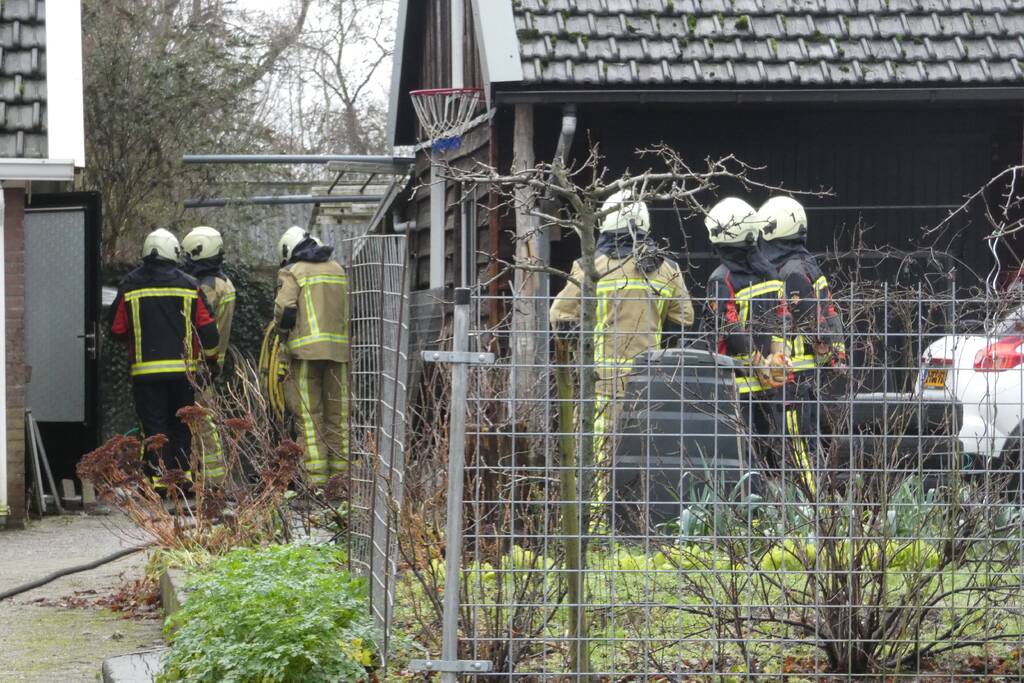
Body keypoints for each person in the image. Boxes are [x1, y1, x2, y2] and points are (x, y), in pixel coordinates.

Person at [550, 188, 694, 532]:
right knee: (650, 454)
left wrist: (581, 345)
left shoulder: (591, 267)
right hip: (652, 383)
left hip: (601, 383)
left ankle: (598, 528)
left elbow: (559, 316)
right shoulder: (667, 270)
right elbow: (685, 319)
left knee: (598, 455)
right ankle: (647, 526)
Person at [108, 228, 220, 489]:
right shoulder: (189, 285)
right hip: (184, 373)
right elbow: (207, 329)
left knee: (154, 427)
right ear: (174, 253)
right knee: (182, 425)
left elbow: (116, 329)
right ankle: (181, 480)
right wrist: (211, 360)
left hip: (146, 374)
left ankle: (158, 482)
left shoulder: (130, 284)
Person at [703, 197, 804, 484]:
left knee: (740, 463)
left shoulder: (722, 279)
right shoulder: (769, 273)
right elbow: (782, 318)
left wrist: (760, 366)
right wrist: (779, 359)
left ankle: (750, 510)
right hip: (770, 389)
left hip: (733, 389)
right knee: (772, 460)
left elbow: (729, 328)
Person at [756, 196, 846, 491]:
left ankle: (812, 501)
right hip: (804, 375)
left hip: (793, 375)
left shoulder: (790, 271)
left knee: (798, 446)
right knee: (806, 442)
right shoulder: (805, 265)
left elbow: (811, 321)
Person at [274, 226, 350, 488]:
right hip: (339, 354)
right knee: (337, 418)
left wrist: (282, 334)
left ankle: (315, 484)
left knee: (309, 417)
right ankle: (340, 483)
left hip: (304, 355)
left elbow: (285, 310)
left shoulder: (293, 271)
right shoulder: (339, 270)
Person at [181, 226, 236, 483]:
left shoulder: (208, 287)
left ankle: (214, 480)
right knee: (200, 420)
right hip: (212, 362)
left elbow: (201, 325)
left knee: (202, 421)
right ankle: (203, 477)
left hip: (201, 363)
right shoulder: (224, 282)